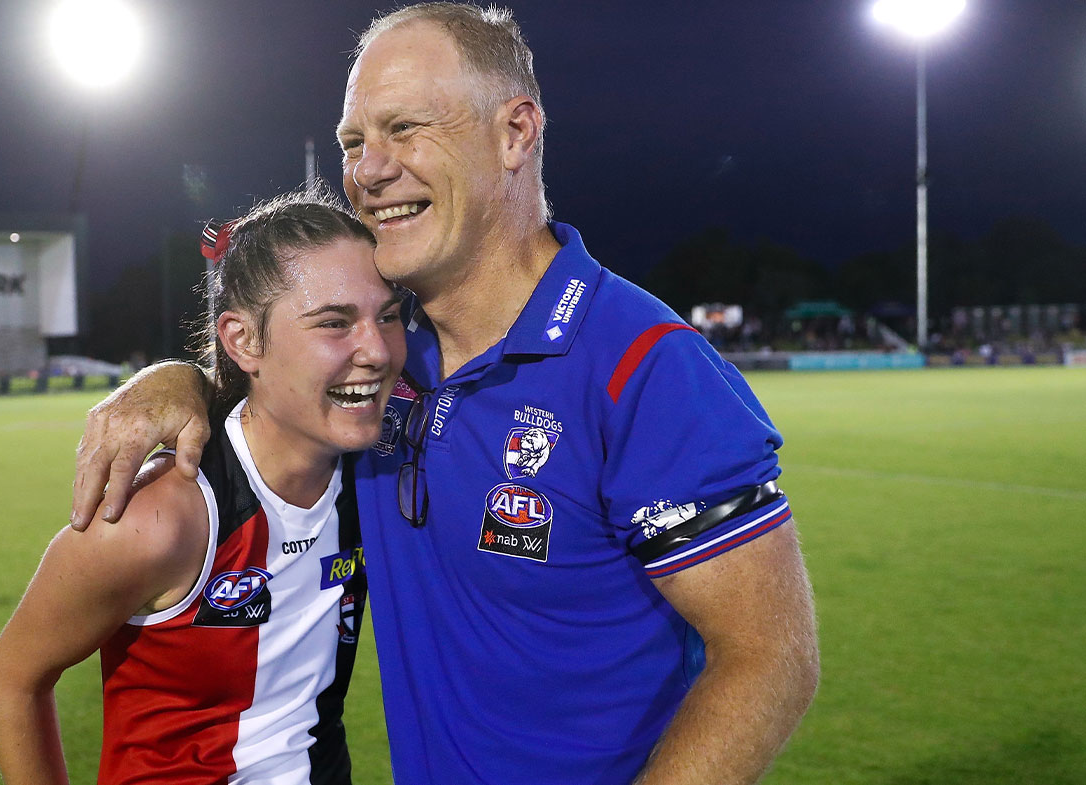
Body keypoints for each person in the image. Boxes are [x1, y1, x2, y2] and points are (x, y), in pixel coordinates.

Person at [70, 5, 819, 784]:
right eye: (354, 142)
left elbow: (770, 656)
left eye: (406, 127)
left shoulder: (645, 367)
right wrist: (179, 379)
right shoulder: (381, 355)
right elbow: (268, 390)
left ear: (515, 133)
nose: (367, 169)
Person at [0, 192, 405, 785]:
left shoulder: (378, 466)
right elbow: (16, 674)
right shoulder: (162, 520)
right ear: (243, 341)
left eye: (388, 316)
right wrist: (168, 376)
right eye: (334, 323)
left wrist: (174, 376)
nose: (377, 350)